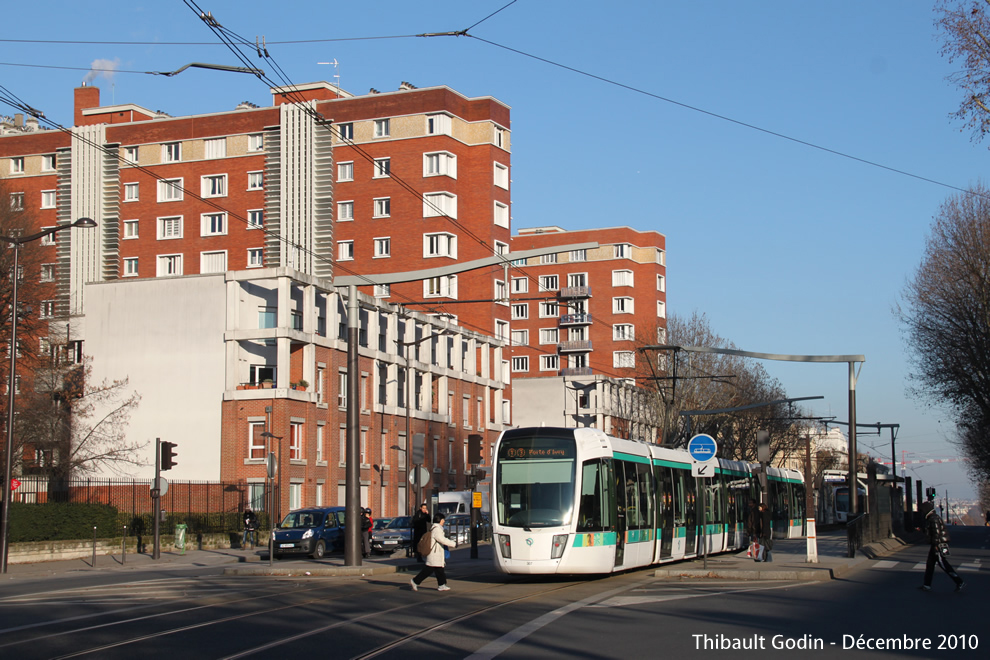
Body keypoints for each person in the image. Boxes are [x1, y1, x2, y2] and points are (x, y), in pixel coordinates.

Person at [920, 500, 964, 592]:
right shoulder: (931, 518)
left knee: (944, 565)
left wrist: (936, 545)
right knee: (930, 565)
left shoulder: (933, 518)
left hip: (937, 545)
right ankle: (927, 585)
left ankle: (959, 581)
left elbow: (936, 533)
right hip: (935, 544)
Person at [410, 512, 457, 592]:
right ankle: (415, 581)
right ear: (440, 520)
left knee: (439, 570)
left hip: (436, 553)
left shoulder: (435, 528)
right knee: (429, 570)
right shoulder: (437, 529)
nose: (444, 521)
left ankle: (441, 585)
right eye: (443, 520)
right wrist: (453, 544)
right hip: (435, 553)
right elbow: (441, 539)